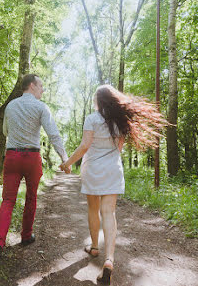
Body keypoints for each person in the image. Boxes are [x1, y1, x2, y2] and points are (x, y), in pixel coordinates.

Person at [60, 85, 167, 284]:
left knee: (93, 209)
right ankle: (109, 260)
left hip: (93, 170)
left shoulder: (92, 119)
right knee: (109, 212)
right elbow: (118, 149)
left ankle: (94, 247)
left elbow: (85, 146)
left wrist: (67, 163)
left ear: (99, 101)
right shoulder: (121, 120)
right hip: (112, 169)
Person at [0, 74, 69, 268]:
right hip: (32, 158)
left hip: (12, 157)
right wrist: (65, 158)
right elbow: (53, 134)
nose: (42, 89)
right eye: (41, 86)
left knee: (8, 200)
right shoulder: (41, 107)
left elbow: (6, 131)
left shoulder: (11, 106)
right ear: (31, 86)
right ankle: (26, 235)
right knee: (31, 197)